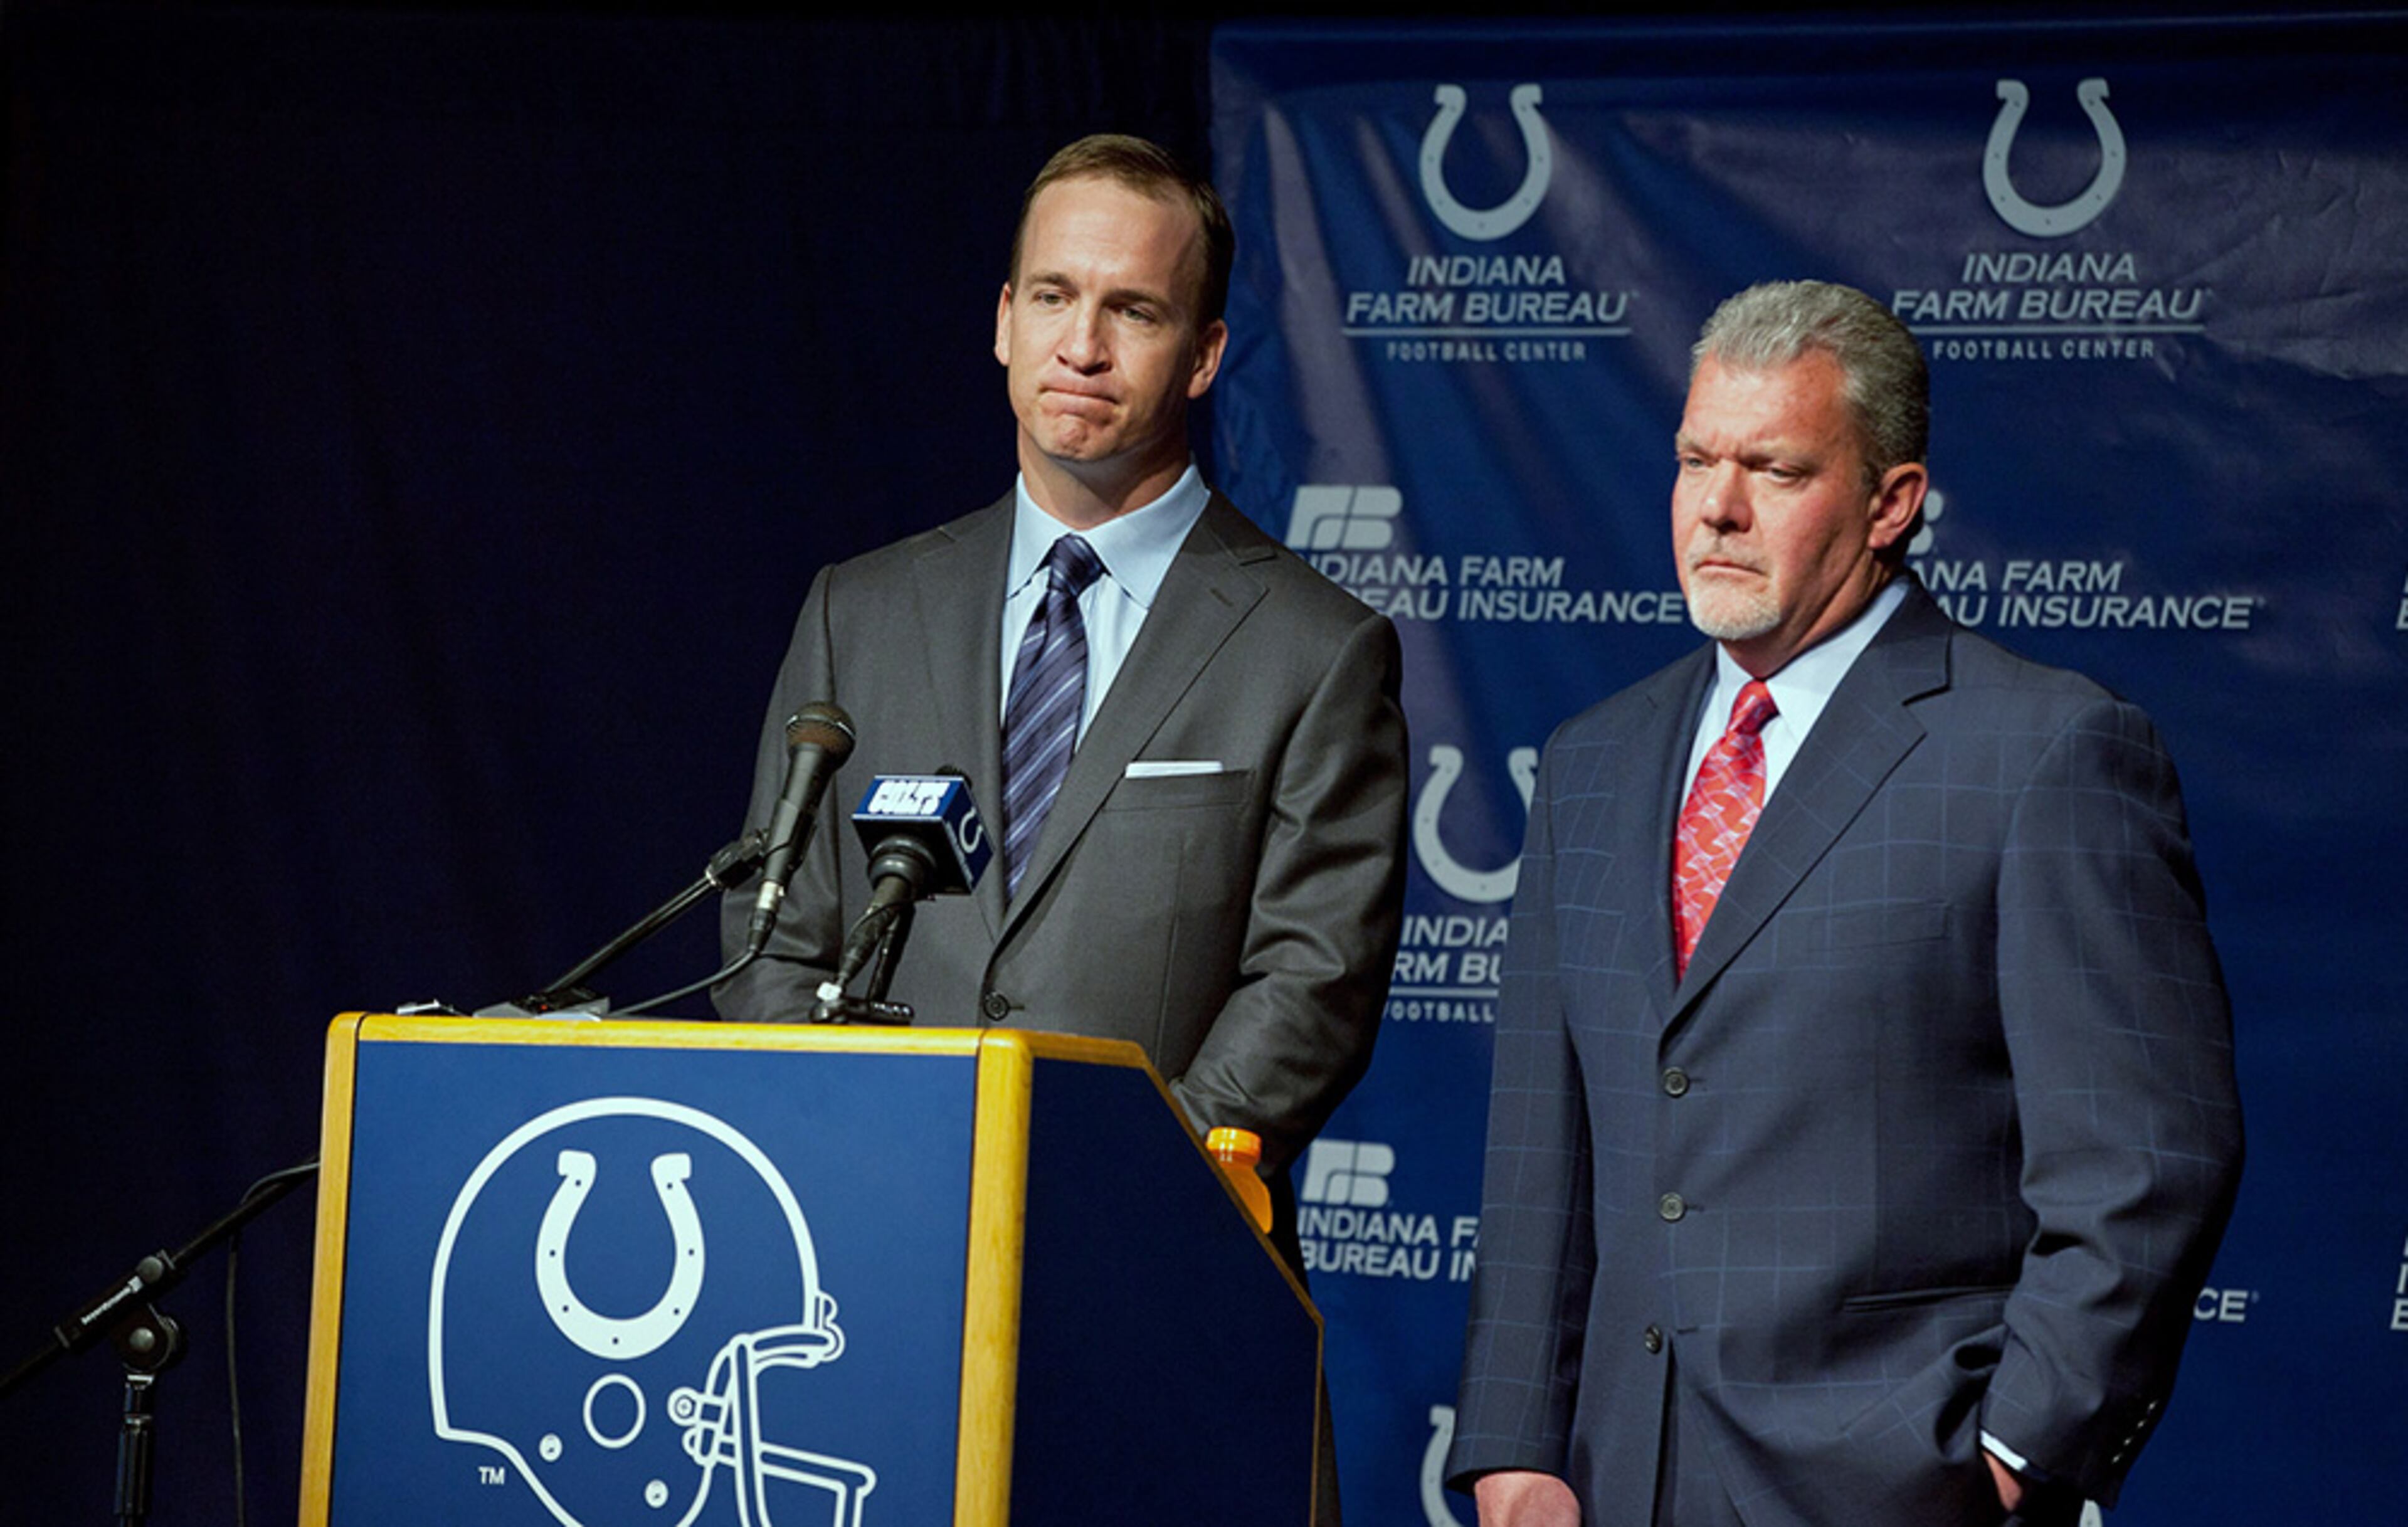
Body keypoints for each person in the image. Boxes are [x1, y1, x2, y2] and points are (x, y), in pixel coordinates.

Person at [1445, 280, 2242, 1527]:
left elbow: (2143, 1162)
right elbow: (1543, 1150)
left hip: (1889, 1487)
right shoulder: (1591, 762)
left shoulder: (2043, 751)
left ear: (1890, 503)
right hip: (1604, 1483)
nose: (1716, 506)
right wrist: (1512, 1444)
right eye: (1697, 459)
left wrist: (2015, 1454)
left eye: (1773, 467)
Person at [713, 131, 1407, 1243]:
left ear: (1204, 353)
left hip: (1147, 1257)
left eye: (1132, 311)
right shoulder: (861, 610)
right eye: (1053, 296)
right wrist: (841, 1156)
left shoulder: (1316, 651)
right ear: (1003, 322)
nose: (1081, 345)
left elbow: (1310, 986)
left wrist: (1113, 1187)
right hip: (867, 1246)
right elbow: (781, 939)